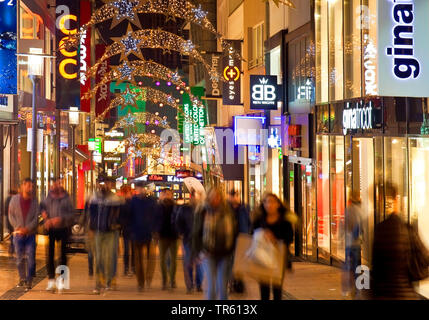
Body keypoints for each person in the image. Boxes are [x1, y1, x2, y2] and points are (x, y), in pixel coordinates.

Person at [372, 182, 428, 300]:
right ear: (396, 199)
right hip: (406, 294)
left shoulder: (379, 230)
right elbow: (425, 257)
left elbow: (376, 268)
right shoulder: (408, 229)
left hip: (384, 295)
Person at [192, 187, 238, 300]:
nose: (215, 198)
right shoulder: (202, 211)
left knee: (223, 287)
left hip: (225, 254)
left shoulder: (227, 211)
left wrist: (232, 250)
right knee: (211, 286)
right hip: (208, 253)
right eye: (212, 196)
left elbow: (234, 231)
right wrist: (198, 252)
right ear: (208, 197)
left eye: (217, 196)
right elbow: (196, 233)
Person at [252, 193, 294, 300]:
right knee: (264, 288)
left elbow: (289, 238)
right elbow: (252, 234)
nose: (269, 204)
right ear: (263, 204)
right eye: (266, 202)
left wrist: (275, 239)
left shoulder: (285, 221)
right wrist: (262, 234)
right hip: (262, 256)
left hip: (278, 256)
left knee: (277, 287)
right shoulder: (259, 219)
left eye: (272, 201)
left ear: (278, 204)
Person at [87, 176, 122, 294]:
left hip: (111, 232)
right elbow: (91, 215)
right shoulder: (94, 197)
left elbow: (120, 216)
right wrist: (91, 228)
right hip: (98, 231)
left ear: (110, 185)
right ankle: (98, 282)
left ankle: (109, 281)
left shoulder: (115, 198)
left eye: (107, 183)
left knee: (110, 257)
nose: (104, 186)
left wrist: (116, 225)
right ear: (98, 184)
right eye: (102, 183)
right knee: (99, 257)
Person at [40, 177, 74, 292]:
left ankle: (62, 280)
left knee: (63, 255)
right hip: (51, 229)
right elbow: (42, 207)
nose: (55, 186)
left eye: (58, 184)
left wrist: (62, 219)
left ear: (61, 184)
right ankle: (51, 279)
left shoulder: (67, 197)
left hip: (63, 228)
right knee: (49, 254)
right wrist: (46, 218)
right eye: (53, 184)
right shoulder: (47, 197)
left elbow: (71, 214)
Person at [8, 178, 39, 291]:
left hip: (30, 234)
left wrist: (28, 228)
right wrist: (18, 227)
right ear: (23, 186)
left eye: (32, 186)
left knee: (31, 257)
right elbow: (11, 215)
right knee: (19, 258)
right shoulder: (14, 200)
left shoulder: (35, 201)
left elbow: (36, 217)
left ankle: (29, 280)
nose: (30, 188)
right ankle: (22, 278)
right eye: (28, 186)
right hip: (18, 234)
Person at [129, 181, 158, 291]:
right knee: (138, 260)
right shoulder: (134, 201)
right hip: (137, 233)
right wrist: (131, 229)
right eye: (138, 188)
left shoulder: (151, 201)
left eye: (141, 188)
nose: (140, 190)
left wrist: (155, 229)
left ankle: (148, 279)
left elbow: (156, 215)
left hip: (149, 233)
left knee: (151, 259)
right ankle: (140, 282)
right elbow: (130, 216)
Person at [175, 189, 204, 294]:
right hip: (188, 239)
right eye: (193, 196)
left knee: (200, 264)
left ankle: (199, 284)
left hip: (200, 241)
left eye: (197, 196)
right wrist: (181, 233)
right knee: (188, 263)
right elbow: (178, 222)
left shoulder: (203, 210)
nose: (195, 198)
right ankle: (189, 285)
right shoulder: (184, 209)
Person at [227, 190, 250, 294]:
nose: (234, 198)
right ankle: (233, 284)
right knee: (231, 263)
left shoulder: (244, 208)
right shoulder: (227, 208)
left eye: (236, 196)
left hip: (242, 239)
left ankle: (238, 283)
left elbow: (249, 222)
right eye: (232, 196)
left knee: (239, 263)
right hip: (230, 239)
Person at [156, 188, 179, 290]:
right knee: (162, 260)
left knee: (173, 260)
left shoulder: (176, 207)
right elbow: (155, 220)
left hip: (174, 236)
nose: (167, 196)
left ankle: (172, 280)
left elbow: (179, 220)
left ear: (172, 195)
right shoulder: (159, 207)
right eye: (165, 194)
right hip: (162, 236)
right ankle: (165, 280)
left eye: (169, 194)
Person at [342, 190, 363, 299]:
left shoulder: (348, 209)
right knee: (358, 267)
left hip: (348, 243)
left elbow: (345, 226)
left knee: (349, 266)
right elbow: (360, 227)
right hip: (357, 243)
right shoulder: (361, 209)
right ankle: (358, 290)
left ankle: (348, 289)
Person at [118, 184, 135, 276]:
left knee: (129, 250)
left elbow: (120, 218)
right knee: (129, 250)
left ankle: (128, 268)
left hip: (128, 229)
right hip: (128, 229)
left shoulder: (124, 204)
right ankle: (130, 267)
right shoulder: (129, 203)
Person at [6, 189, 18, 256]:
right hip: (14, 221)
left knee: (12, 234)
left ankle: (12, 248)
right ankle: (12, 247)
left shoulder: (7, 199)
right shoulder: (15, 200)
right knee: (13, 235)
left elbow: (5, 211)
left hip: (9, 221)